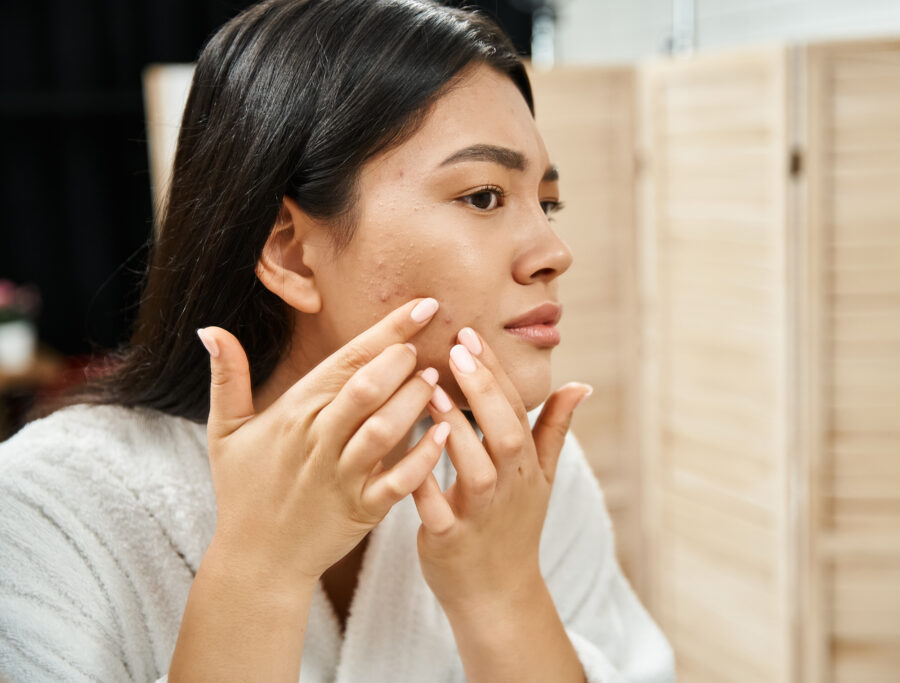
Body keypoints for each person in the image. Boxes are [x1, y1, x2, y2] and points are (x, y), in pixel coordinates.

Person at [0, 1, 675, 681]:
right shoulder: (46, 512)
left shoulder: (516, 473)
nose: (553, 252)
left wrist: (503, 597)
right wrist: (258, 569)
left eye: (546, 202)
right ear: (291, 251)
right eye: (483, 196)